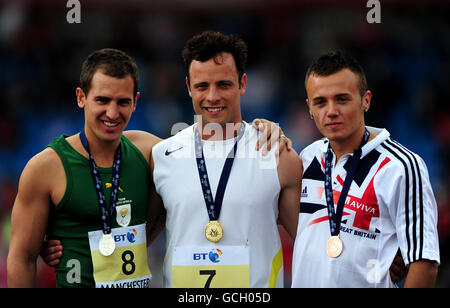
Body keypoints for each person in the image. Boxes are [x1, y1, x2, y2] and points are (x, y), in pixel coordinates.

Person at [8, 48, 289, 288]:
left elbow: (207, 153)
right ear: (81, 97)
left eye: (123, 102)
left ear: (136, 102)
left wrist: (265, 128)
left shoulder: (151, 151)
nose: (112, 113)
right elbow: (21, 258)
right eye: (102, 100)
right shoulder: (46, 167)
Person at [150, 30, 302, 288]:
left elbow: (312, 244)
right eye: (202, 86)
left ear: (242, 83)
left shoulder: (277, 155)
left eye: (223, 84)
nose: (212, 97)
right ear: (188, 87)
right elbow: (137, 238)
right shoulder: (162, 155)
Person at [290, 51, 440, 287]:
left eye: (342, 99)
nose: (331, 111)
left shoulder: (401, 166)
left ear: (365, 100)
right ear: (309, 107)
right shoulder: (308, 157)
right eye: (320, 102)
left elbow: (425, 263)